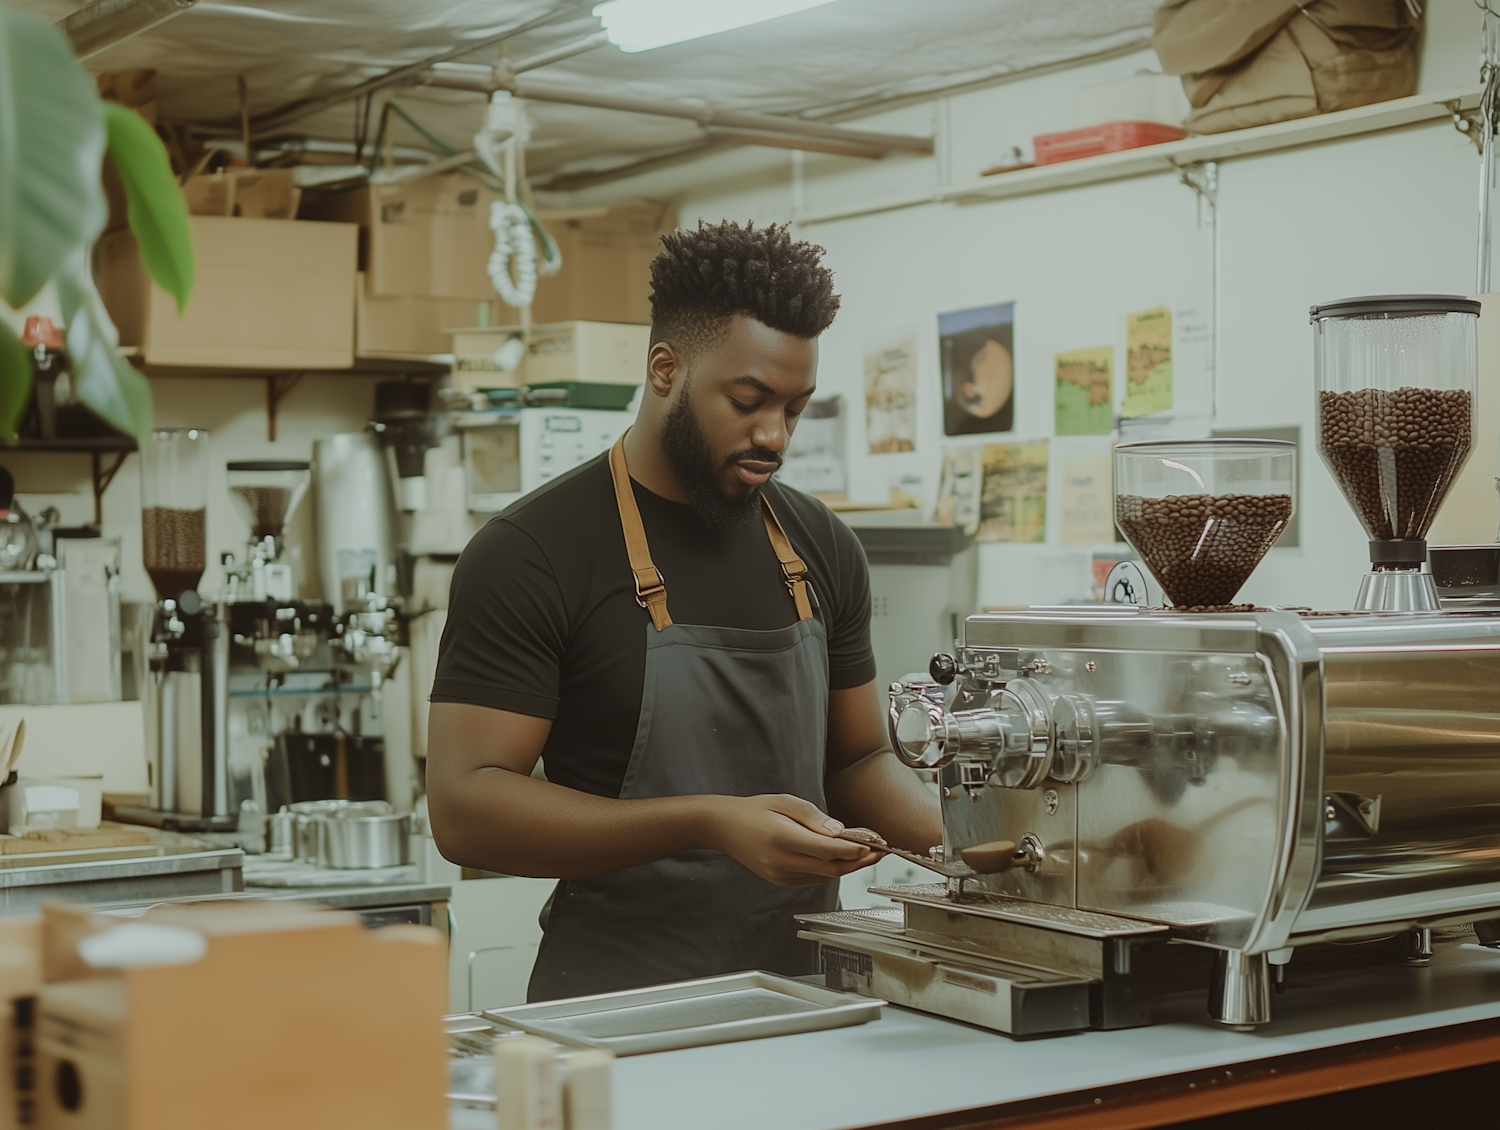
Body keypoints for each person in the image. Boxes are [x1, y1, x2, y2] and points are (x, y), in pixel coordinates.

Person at [426, 219, 941, 1002]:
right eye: (748, 400)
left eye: (795, 409)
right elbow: (467, 806)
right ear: (665, 369)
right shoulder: (533, 550)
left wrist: (969, 839)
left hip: (805, 992)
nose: (773, 435)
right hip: (616, 1001)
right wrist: (708, 822)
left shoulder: (822, 547)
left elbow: (857, 762)